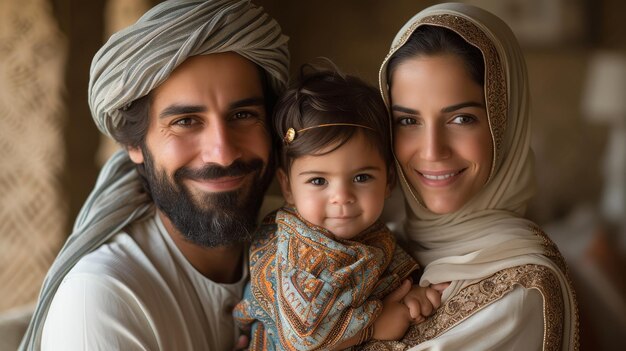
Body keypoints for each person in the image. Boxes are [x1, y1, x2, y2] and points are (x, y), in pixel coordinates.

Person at [19, 1, 289, 350]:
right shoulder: (102, 300)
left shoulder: (307, 245)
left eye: (242, 115)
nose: (222, 153)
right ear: (133, 143)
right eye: (185, 121)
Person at [362, 3, 579, 350]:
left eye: (461, 119)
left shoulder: (521, 289)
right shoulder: (380, 246)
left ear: (504, 124)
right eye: (408, 120)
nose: (432, 151)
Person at [233, 65, 443, 350]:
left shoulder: (375, 236)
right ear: (287, 188)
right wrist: (374, 327)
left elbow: (392, 277)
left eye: (361, 177)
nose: (342, 197)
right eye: (319, 180)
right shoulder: (298, 248)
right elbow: (304, 338)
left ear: (388, 181)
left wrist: (413, 294)